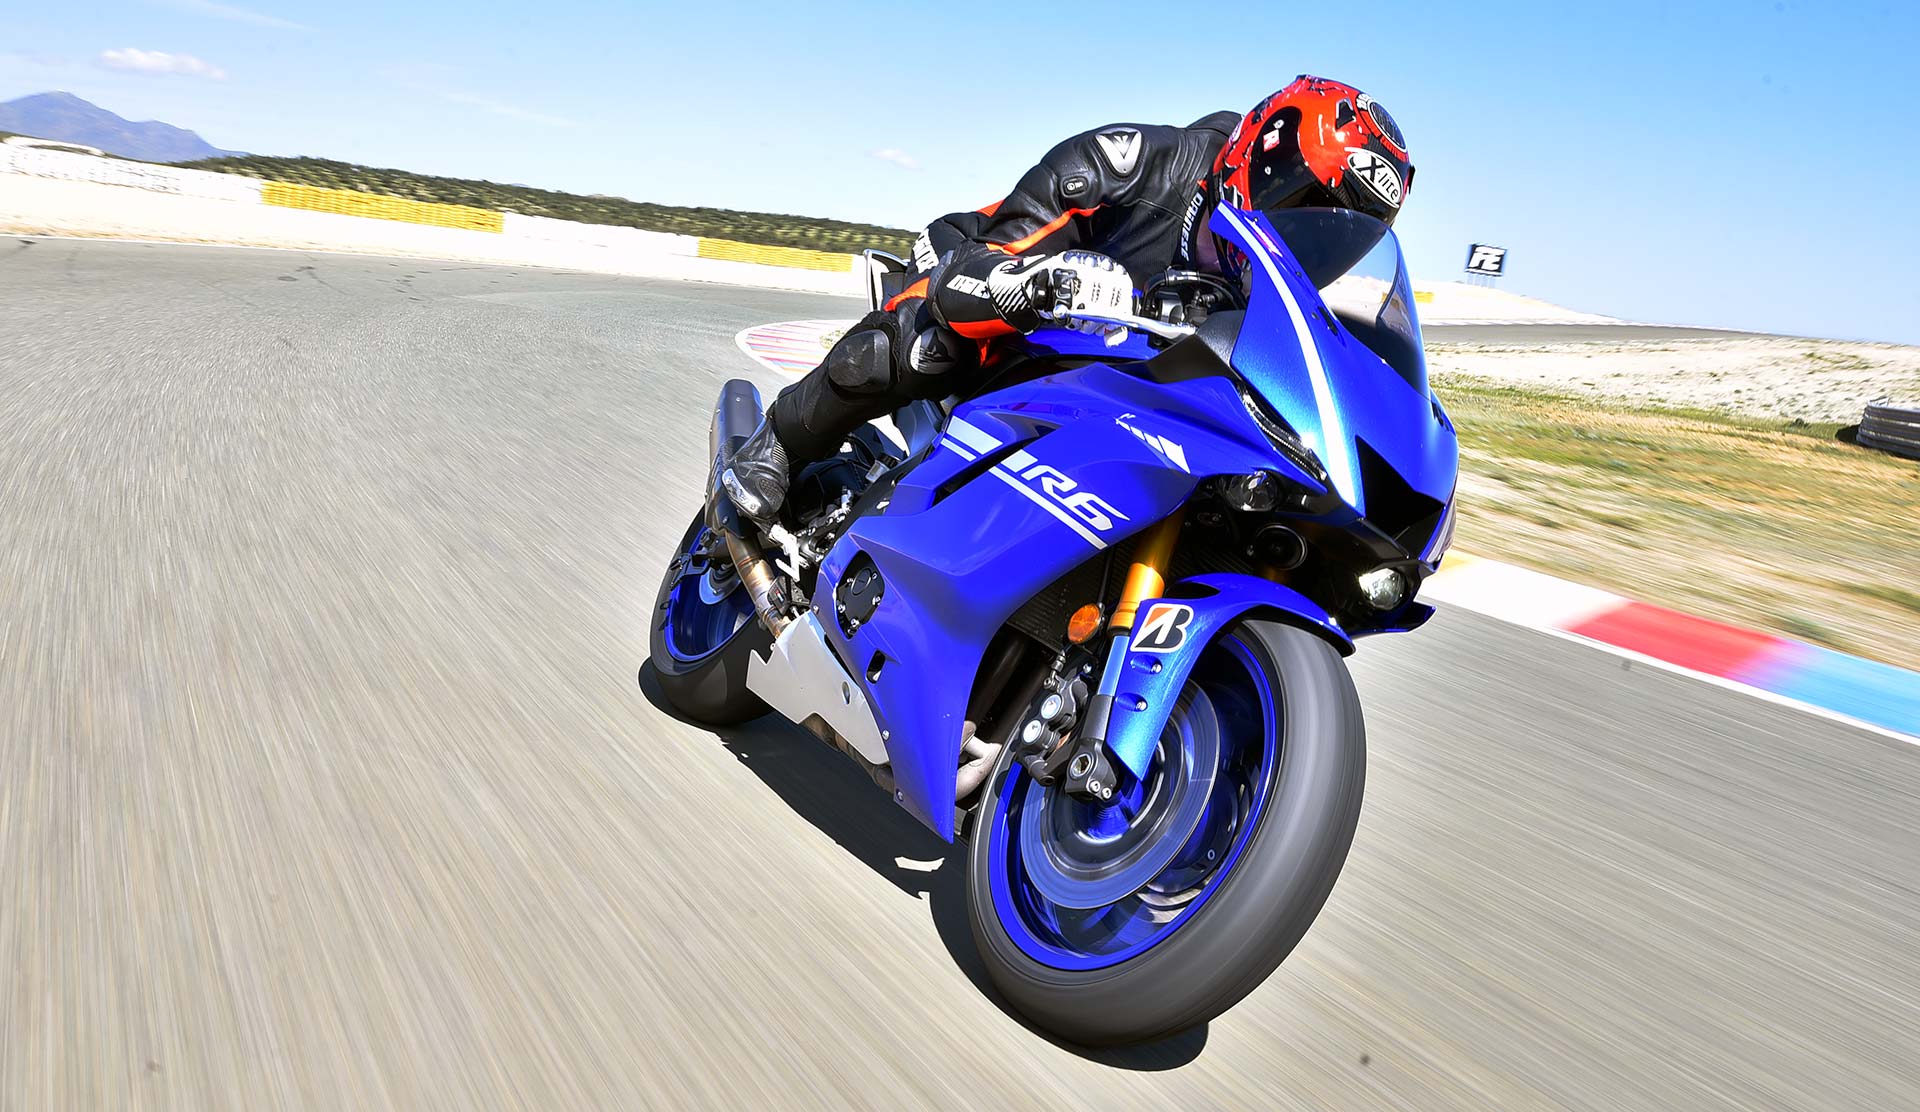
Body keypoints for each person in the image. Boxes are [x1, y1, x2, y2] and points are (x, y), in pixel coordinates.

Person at [722, 75, 1414, 525]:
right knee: (928, 344)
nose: (1305, 237)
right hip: (985, 280)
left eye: (1336, 235)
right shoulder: (1135, 163)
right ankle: (778, 441)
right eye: (1301, 201)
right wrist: (1035, 284)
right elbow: (976, 265)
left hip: (1105, 373)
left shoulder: (1270, 290)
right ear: (1262, 150)